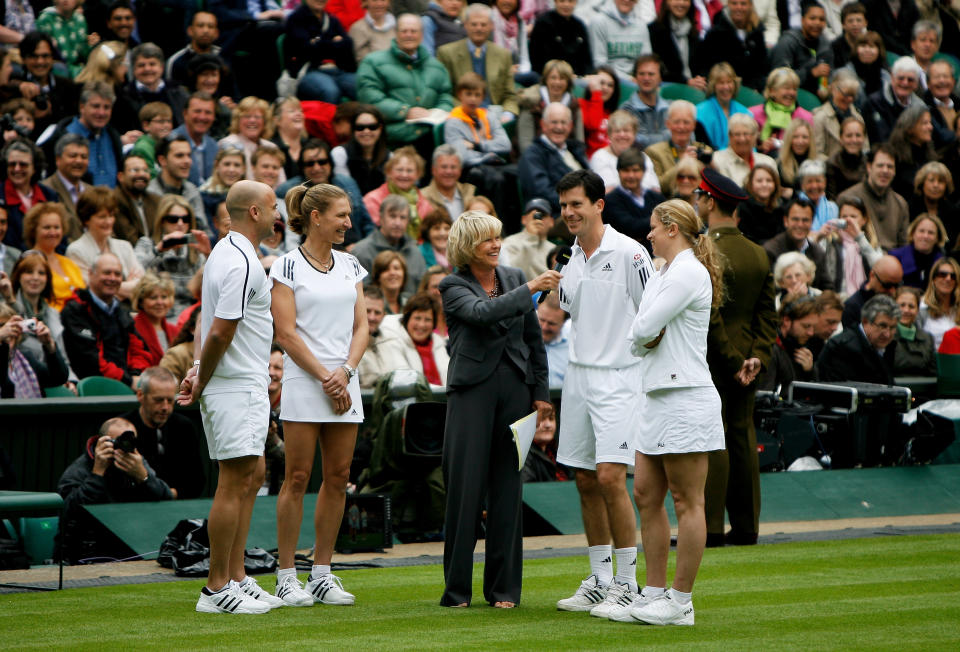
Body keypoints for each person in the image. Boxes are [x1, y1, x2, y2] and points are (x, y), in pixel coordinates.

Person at [438, 210, 558, 608]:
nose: (495, 244)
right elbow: (479, 313)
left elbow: (533, 340)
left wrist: (540, 392)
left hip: (517, 394)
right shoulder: (452, 284)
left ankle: (503, 590)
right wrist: (530, 290)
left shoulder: (511, 278)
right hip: (471, 394)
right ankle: (456, 591)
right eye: (487, 239)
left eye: (498, 237)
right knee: (465, 492)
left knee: (509, 491)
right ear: (467, 245)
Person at [615, 198, 724, 626]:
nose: (649, 234)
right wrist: (643, 337)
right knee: (645, 493)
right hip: (656, 394)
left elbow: (641, 329)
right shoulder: (662, 272)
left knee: (686, 500)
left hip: (686, 396)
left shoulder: (690, 272)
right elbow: (641, 331)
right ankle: (655, 592)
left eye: (654, 228)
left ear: (673, 228)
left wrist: (643, 337)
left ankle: (681, 602)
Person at [178, 180, 282, 614]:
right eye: (274, 206)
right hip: (234, 385)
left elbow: (213, 327)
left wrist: (201, 370)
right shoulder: (239, 259)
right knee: (233, 480)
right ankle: (215, 587)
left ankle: (238, 576)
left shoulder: (229, 252)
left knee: (253, 474)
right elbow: (221, 329)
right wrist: (202, 378)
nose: (279, 214)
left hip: (242, 382)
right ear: (254, 212)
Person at [554, 170, 654, 616]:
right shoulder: (569, 258)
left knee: (612, 477)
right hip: (578, 379)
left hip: (620, 380)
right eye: (563, 206)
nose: (568, 212)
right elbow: (570, 313)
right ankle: (598, 579)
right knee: (584, 478)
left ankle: (628, 583)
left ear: (599, 204)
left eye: (576, 203)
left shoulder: (631, 253)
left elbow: (654, 316)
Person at [267, 182, 368, 606]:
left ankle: (322, 572)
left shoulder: (350, 265)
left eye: (348, 214)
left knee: (339, 477)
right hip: (306, 380)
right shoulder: (286, 266)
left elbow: (362, 326)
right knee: (297, 477)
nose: (348, 222)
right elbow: (286, 334)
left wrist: (344, 372)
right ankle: (287, 575)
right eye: (341, 215)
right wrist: (327, 377)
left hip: (345, 378)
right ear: (316, 217)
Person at [700, 168, 777, 548]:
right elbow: (768, 315)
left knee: (714, 440)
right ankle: (747, 526)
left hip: (713, 362)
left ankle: (710, 527)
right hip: (747, 361)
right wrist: (755, 358)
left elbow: (709, 314)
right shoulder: (758, 253)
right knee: (743, 437)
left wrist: (732, 361)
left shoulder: (703, 252)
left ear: (710, 201)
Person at [56, 417, 173, 564]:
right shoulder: (79, 470)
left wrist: (143, 477)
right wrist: (98, 472)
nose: (123, 446)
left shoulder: (135, 463)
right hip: (86, 553)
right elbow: (70, 513)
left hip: (131, 548)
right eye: (118, 441)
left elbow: (167, 499)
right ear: (101, 442)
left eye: (130, 440)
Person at [356, 14, 455, 154]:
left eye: (413, 31)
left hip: (430, 136)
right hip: (393, 138)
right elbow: (369, 97)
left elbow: (446, 96)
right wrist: (404, 111)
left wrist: (437, 112)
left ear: (421, 35)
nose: (409, 35)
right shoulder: (373, 62)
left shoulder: (436, 66)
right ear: (396, 34)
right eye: (404, 31)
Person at [120, 366, 206, 499]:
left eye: (170, 400)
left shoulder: (184, 427)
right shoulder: (123, 428)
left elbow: (196, 482)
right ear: (140, 395)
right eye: (158, 400)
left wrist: (166, 494)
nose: (165, 407)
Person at [61, 252, 141, 386]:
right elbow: (88, 360)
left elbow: (139, 349)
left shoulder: (122, 312)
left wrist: (137, 375)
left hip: (128, 386)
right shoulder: (75, 310)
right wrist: (128, 380)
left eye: (117, 274)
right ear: (91, 274)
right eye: (107, 273)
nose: (112, 278)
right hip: (94, 390)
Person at [436, 4, 519, 119]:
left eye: (483, 24)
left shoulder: (503, 55)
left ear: (491, 26)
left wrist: (507, 114)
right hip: (461, 116)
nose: (479, 28)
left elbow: (510, 95)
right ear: (465, 25)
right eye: (474, 24)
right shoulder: (446, 53)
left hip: (495, 117)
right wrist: (468, 112)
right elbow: (445, 93)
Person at [136, 195, 210, 318]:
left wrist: (208, 254)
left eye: (185, 219)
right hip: (158, 314)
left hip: (191, 315)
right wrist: (158, 250)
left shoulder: (196, 249)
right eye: (173, 219)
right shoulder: (147, 244)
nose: (180, 224)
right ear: (162, 221)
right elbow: (135, 272)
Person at [65, 186, 144, 300]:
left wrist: (109, 288)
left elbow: (143, 288)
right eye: (102, 217)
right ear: (86, 219)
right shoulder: (76, 251)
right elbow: (92, 292)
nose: (108, 221)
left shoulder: (125, 247)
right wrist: (128, 286)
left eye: (111, 216)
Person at [518, 102, 590, 215]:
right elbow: (542, 192)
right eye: (554, 122)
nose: (559, 127)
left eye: (563, 122)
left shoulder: (576, 150)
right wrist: (578, 204)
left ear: (570, 126)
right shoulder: (533, 155)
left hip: (583, 210)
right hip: (554, 215)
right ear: (543, 125)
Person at [838, 144, 909, 251]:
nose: (885, 171)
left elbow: (904, 244)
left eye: (890, 167)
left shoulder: (900, 203)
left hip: (892, 261)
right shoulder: (848, 198)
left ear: (895, 171)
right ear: (869, 167)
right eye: (880, 166)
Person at [816, 293, 899, 383]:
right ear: (865, 321)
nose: (887, 334)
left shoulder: (889, 347)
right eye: (882, 326)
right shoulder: (842, 348)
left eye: (892, 327)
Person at [352, 195, 427, 294]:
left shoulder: (415, 252)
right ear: (381, 218)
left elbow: (423, 290)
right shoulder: (362, 252)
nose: (397, 223)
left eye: (402, 217)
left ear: (408, 221)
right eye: (392, 216)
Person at [19, 202, 85, 311]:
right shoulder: (27, 262)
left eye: (57, 227)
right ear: (34, 230)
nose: (53, 232)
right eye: (47, 227)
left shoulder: (69, 263)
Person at [814, 196, 883, 296]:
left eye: (853, 217)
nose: (848, 221)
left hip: (864, 297)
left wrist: (859, 237)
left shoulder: (870, 243)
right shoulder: (830, 241)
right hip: (835, 297)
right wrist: (818, 238)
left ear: (864, 220)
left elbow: (880, 267)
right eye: (844, 216)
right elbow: (813, 261)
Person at [0, 298, 69, 397]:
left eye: (13, 325)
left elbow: (59, 378)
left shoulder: (25, 358)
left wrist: (49, 345)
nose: (9, 330)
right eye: (2, 326)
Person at [378, 291, 449, 384]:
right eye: (417, 318)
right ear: (407, 319)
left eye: (427, 320)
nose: (421, 325)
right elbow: (403, 381)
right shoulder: (393, 342)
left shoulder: (439, 344)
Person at [763, 197, 833, 291]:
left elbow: (828, 288)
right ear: (786, 221)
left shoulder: (818, 252)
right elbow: (767, 289)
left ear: (812, 222)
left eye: (805, 220)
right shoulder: (771, 251)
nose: (800, 225)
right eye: (795, 219)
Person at [601, 148, 667, 248]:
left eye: (635, 170)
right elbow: (631, 228)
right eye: (626, 171)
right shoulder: (610, 201)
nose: (631, 175)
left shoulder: (656, 198)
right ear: (618, 172)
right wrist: (660, 222)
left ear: (644, 171)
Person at [644, 101, 712, 198]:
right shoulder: (654, 152)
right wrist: (681, 163)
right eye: (676, 122)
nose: (681, 127)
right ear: (668, 124)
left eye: (686, 122)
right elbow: (658, 188)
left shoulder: (704, 150)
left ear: (694, 125)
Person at [516, 59, 585, 153]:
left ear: (568, 82)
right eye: (553, 78)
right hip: (537, 156)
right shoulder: (531, 102)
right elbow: (525, 142)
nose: (557, 82)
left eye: (562, 78)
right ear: (546, 79)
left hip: (566, 155)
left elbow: (579, 141)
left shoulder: (573, 105)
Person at [1, 138, 58, 252]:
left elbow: (60, 236)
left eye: (23, 165)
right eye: (12, 164)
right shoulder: (1, 195)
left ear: (34, 168)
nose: (17, 169)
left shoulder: (49, 195)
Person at [362, 146, 433, 237]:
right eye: (399, 170)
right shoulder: (372, 199)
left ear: (418, 174)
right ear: (389, 172)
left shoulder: (426, 204)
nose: (404, 175)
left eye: (409, 171)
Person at [701, 0, 770, 91]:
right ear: (728, 5)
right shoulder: (715, 34)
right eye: (734, 3)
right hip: (723, 90)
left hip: (751, 90)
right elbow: (705, 66)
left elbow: (761, 68)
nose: (739, 8)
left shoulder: (757, 33)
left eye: (743, 4)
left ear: (750, 6)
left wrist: (757, 86)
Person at [147, 136, 209, 234]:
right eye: (179, 156)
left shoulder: (192, 190)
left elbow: (203, 229)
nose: (187, 161)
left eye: (189, 155)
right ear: (162, 160)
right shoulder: (149, 192)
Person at [770, 0, 833, 96]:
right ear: (802, 20)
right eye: (812, 18)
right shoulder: (787, 42)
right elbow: (779, 77)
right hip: (789, 95)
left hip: (818, 96)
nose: (817, 23)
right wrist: (810, 74)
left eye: (821, 19)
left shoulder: (825, 44)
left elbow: (829, 74)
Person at [759, 294, 818, 395]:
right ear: (786, 321)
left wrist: (810, 372)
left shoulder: (800, 346)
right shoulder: (770, 349)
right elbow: (764, 399)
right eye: (806, 326)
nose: (811, 333)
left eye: (813, 327)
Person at [589, 110, 658, 194]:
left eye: (626, 130)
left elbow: (656, 190)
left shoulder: (644, 157)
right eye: (617, 131)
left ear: (634, 134)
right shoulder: (600, 157)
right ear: (609, 134)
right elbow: (608, 193)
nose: (622, 135)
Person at [750, 68, 814, 156]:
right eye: (787, 88)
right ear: (772, 91)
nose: (791, 93)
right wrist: (760, 147)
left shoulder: (806, 117)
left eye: (794, 89)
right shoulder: (752, 114)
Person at [863, 56, 926, 145]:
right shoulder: (874, 103)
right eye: (901, 78)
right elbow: (880, 139)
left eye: (910, 80)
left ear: (916, 84)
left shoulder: (920, 107)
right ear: (892, 78)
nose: (905, 83)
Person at [647, 0, 706, 91]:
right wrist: (686, 81)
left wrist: (700, 80)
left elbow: (701, 64)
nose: (681, 3)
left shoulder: (694, 33)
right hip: (668, 89)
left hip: (695, 88)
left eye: (686, 0)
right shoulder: (654, 31)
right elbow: (660, 68)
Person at [589, 0, 652, 84]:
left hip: (637, 80)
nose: (627, 0)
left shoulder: (641, 25)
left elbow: (647, 61)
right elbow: (600, 63)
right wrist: (628, 79)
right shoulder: (598, 22)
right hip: (609, 80)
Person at [331, 106, 389, 196]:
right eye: (360, 127)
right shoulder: (340, 153)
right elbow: (345, 192)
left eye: (372, 127)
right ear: (353, 130)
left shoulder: (390, 157)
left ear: (380, 128)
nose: (366, 131)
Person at [812, 69, 869, 160]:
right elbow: (816, 153)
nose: (849, 99)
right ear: (833, 90)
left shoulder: (858, 117)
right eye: (846, 95)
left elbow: (865, 149)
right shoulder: (820, 117)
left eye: (853, 95)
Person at [127, 273, 177, 374]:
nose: (159, 302)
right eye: (153, 298)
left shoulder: (174, 330)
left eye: (164, 297)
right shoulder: (132, 327)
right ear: (141, 302)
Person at [528, 0, 592, 78]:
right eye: (562, 1)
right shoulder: (543, 23)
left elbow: (586, 59)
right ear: (555, 2)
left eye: (570, 1)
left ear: (575, 2)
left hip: (577, 76)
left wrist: (584, 75)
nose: (566, 5)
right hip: (549, 77)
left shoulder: (580, 25)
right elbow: (538, 60)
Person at [710, 114, 777, 187]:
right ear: (730, 136)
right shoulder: (716, 160)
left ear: (755, 136)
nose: (742, 139)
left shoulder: (768, 162)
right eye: (737, 134)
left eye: (746, 134)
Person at [41, 133, 90, 233]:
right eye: (73, 156)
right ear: (58, 160)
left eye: (84, 157)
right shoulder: (45, 189)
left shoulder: (92, 191)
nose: (79, 161)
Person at [696, 63, 752, 151]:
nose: (726, 87)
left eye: (729, 82)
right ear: (713, 86)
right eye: (721, 83)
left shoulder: (745, 112)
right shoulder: (699, 112)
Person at [841, 254, 904, 328]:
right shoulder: (852, 307)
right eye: (887, 285)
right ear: (872, 275)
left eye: (897, 285)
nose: (892, 291)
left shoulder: (896, 300)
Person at [171, 93, 220, 187]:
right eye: (197, 111)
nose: (202, 117)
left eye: (208, 112)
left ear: (214, 117)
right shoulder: (171, 141)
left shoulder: (214, 146)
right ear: (185, 114)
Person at [620, 55, 670, 150]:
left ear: (660, 78)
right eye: (641, 74)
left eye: (651, 74)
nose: (646, 78)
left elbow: (688, 135)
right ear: (635, 78)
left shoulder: (670, 107)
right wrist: (670, 135)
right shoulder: (626, 110)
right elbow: (640, 142)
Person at [501, 198, 555, 281]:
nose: (538, 220)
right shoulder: (510, 242)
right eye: (534, 215)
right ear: (524, 219)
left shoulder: (553, 249)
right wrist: (531, 238)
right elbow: (511, 277)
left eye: (542, 215)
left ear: (551, 222)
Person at [422, 146, 477, 226]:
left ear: (460, 170)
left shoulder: (471, 193)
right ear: (433, 170)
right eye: (444, 167)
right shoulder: (422, 197)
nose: (448, 171)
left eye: (453, 167)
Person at [889, 214, 947, 290]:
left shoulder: (943, 265)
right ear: (913, 234)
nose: (925, 236)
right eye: (921, 231)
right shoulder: (894, 258)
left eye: (931, 233)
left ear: (937, 238)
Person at [736, 164, 785, 245]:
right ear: (751, 184)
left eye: (769, 180)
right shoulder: (742, 207)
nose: (764, 184)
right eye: (759, 181)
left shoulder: (780, 207)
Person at [918, 257, 960, 350]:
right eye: (942, 274)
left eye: (953, 276)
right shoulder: (921, 308)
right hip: (930, 361)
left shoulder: (958, 308)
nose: (948, 279)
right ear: (933, 278)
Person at [893, 286, 936, 376]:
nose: (906, 310)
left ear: (917, 310)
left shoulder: (928, 339)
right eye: (902, 305)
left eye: (911, 306)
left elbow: (933, 373)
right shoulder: (885, 336)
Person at [579, 67, 621, 157]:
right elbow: (593, 125)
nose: (605, 88)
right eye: (601, 83)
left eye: (610, 85)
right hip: (593, 159)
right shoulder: (582, 104)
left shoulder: (616, 113)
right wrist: (596, 93)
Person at [825, 117, 867, 198]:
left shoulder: (869, 163)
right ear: (841, 138)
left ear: (864, 138)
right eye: (849, 136)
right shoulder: (832, 164)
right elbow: (831, 198)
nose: (854, 140)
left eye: (858, 135)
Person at [538, 292, 569, 388]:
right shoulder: (522, 335)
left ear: (563, 323)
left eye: (551, 323)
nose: (544, 327)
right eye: (542, 320)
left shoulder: (573, 344)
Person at [777, 119, 815, 197]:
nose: (800, 141)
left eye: (805, 137)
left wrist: (794, 193)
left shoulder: (818, 164)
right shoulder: (779, 165)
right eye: (795, 137)